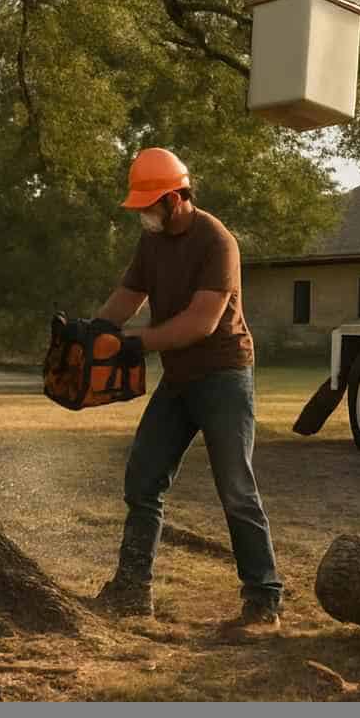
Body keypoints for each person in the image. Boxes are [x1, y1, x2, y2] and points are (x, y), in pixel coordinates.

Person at [90, 147, 283, 637]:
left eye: (150, 205)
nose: (143, 215)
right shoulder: (151, 244)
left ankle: (264, 602)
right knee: (143, 478)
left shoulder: (215, 240)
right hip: (178, 380)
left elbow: (201, 323)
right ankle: (133, 590)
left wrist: (133, 345)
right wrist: (91, 333)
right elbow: (128, 296)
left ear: (176, 198)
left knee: (236, 489)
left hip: (222, 376)